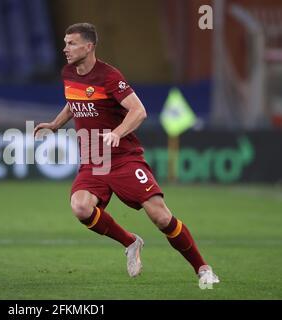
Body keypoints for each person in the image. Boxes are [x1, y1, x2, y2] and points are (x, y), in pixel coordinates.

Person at [34, 22, 219, 286]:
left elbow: (139, 111)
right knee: (81, 207)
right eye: (65, 43)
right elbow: (73, 101)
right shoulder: (69, 73)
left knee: (160, 216)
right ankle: (131, 242)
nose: (65, 48)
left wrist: (117, 133)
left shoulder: (109, 76)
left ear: (89, 46)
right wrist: (55, 124)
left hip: (123, 159)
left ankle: (203, 268)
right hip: (94, 161)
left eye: (71, 43)